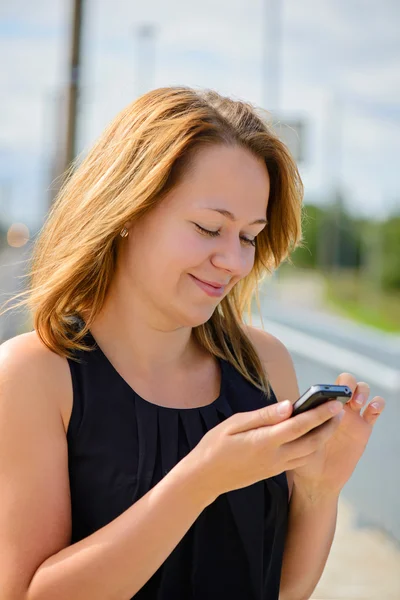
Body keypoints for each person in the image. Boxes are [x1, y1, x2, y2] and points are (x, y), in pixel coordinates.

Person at [0, 86, 385, 600]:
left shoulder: (263, 364)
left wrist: (320, 491)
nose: (235, 261)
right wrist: (199, 482)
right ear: (129, 212)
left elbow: (279, 591)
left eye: (249, 236)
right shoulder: (36, 375)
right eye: (209, 228)